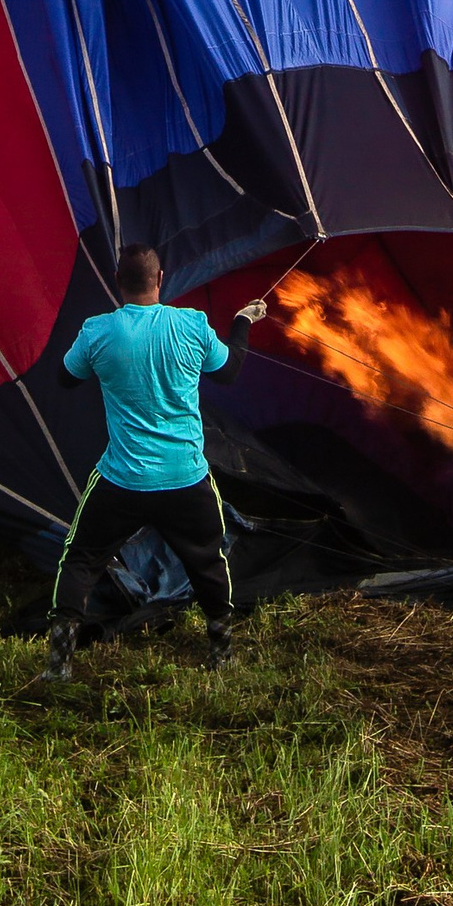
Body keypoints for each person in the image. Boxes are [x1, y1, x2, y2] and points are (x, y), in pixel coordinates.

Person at [46, 245, 267, 678]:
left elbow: (65, 378)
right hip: (185, 477)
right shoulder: (192, 324)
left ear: (117, 281)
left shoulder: (98, 331)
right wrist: (242, 322)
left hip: (122, 480)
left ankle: (59, 666)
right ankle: (222, 653)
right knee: (207, 560)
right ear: (161, 277)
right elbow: (228, 370)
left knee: (80, 559)